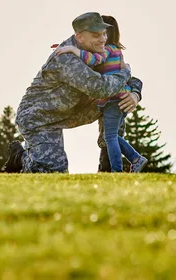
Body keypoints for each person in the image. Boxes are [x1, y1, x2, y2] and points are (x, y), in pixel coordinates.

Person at [2, 12, 142, 173]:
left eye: (104, 34)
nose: (103, 39)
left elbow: (119, 80)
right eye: (96, 35)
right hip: (39, 118)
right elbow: (101, 87)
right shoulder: (66, 58)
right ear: (80, 37)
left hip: (72, 110)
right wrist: (125, 72)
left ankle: (108, 165)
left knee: (118, 100)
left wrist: (135, 94)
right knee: (52, 172)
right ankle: (19, 157)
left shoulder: (96, 51)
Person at [54, 15, 147, 173]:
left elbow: (92, 60)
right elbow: (125, 71)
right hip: (117, 101)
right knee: (111, 135)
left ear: (106, 33)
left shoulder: (106, 51)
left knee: (109, 137)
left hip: (113, 100)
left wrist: (72, 50)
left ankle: (118, 170)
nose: (99, 35)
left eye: (100, 32)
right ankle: (135, 158)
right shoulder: (117, 52)